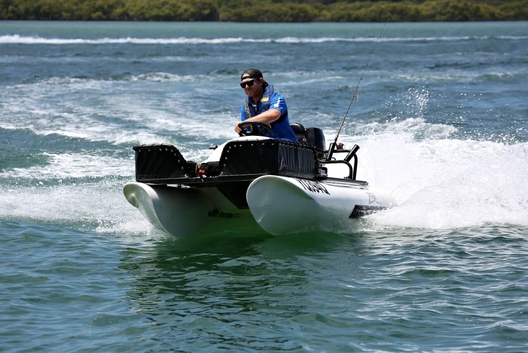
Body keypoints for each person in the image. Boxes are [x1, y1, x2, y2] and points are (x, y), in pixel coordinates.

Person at [234, 68, 297, 142]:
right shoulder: (246, 106)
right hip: (260, 144)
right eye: (243, 85)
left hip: (284, 142)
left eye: (250, 83)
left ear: (260, 81)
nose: (247, 87)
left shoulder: (276, 98)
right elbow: (246, 131)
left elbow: (274, 114)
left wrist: (244, 123)